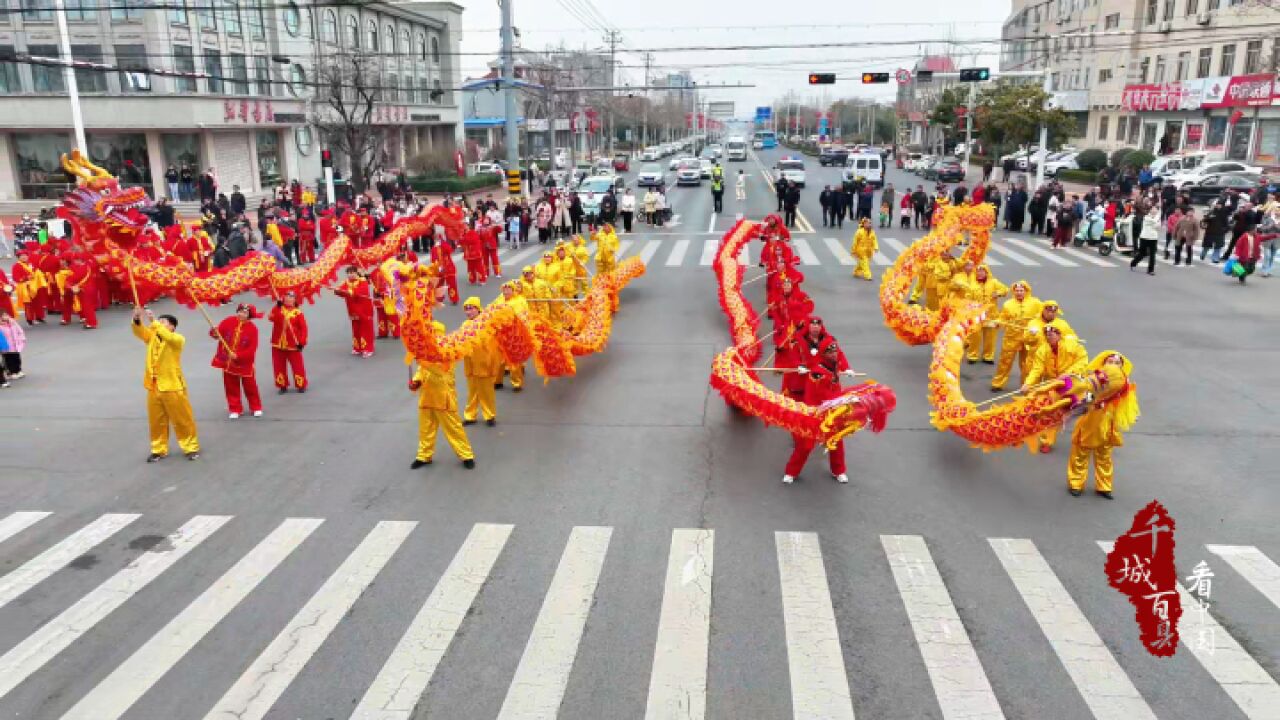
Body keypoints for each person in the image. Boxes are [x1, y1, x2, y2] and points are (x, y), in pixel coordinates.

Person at [782, 338, 856, 485]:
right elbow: (825, 396)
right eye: (831, 352)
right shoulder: (818, 373)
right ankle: (791, 472)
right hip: (816, 413)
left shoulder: (833, 366)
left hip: (832, 412)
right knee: (805, 445)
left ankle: (839, 471)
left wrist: (847, 369)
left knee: (836, 442)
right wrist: (846, 399)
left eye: (835, 351)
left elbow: (836, 383)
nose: (835, 354)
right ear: (824, 354)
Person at [1067, 351, 1139, 499]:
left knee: (1104, 455)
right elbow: (1079, 393)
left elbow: (1128, 404)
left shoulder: (1124, 383)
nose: (1113, 365)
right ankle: (1076, 483)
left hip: (1107, 424)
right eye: (1110, 362)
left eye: (1117, 363)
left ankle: (1104, 486)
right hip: (1089, 421)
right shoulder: (1094, 379)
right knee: (1081, 453)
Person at [132, 308, 200, 462]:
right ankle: (158, 449)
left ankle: (190, 447)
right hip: (154, 385)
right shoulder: (152, 337)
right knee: (156, 420)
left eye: (163, 322)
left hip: (172, 385)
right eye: (159, 321)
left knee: (182, 419)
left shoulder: (177, 339)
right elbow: (140, 332)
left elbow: (167, 336)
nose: (158, 324)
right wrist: (137, 319)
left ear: (172, 327)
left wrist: (154, 322)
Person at [408, 322, 476, 470]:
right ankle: (424, 455)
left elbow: (438, 371)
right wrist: (416, 381)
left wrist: (421, 359)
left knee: (453, 428)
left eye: (432, 333)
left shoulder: (448, 353)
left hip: (443, 398)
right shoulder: (426, 353)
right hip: (426, 396)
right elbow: (422, 370)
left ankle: (466, 455)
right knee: (426, 429)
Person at [1021, 323, 1088, 454]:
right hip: (1053, 385)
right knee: (1051, 413)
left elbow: (1083, 361)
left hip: (1073, 384)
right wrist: (1028, 383)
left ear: (1059, 334)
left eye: (1052, 334)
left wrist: (1068, 373)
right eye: (1047, 334)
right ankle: (1047, 441)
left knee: (1081, 411)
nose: (1049, 336)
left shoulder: (1073, 346)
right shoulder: (1042, 350)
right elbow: (1037, 369)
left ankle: (1086, 435)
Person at [211, 303, 263, 419]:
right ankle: (235, 408)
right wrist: (214, 331)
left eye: (245, 312)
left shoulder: (252, 329)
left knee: (250, 386)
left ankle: (256, 407)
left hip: (244, 363)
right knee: (230, 386)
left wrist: (238, 356)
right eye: (240, 311)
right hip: (228, 362)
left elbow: (252, 348)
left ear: (249, 315)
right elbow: (218, 335)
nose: (241, 314)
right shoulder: (228, 321)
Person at [991, 280, 1041, 391]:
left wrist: (1037, 326)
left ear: (1026, 291)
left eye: (1021, 290)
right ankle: (998, 383)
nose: (1019, 292)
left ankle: (1026, 385)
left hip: (1028, 338)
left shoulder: (1035, 303)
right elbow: (1003, 318)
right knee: (1005, 361)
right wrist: (997, 322)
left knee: (1027, 363)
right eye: (1017, 290)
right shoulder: (1008, 304)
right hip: (1011, 337)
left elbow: (1042, 316)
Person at [461, 297, 503, 426]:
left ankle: (489, 415)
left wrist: (492, 361)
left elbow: (494, 344)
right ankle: (470, 415)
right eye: (466, 309)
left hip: (484, 363)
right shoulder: (465, 325)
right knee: (472, 391)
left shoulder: (486, 323)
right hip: (470, 364)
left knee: (486, 392)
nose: (469, 312)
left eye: (471, 308)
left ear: (478, 309)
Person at [963, 265, 1008, 364]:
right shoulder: (971, 284)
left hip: (991, 315)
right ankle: (972, 355)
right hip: (976, 315)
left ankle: (988, 356)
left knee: (990, 337)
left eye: (982, 272)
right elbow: (967, 297)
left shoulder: (994, 282)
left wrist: (998, 293)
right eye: (978, 272)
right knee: (974, 336)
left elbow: (1005, 289)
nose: (980, 274)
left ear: (986, 273)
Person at [270, 290, 308, 393]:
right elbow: (271, 318)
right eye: (286, 297)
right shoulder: (279, 309)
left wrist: (301, 342)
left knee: (297, 365)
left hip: (293, 344)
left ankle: (301, 384)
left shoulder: (298, 313)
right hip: (277, 343)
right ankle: (282, 385)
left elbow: (303, 329)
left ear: (295, 300)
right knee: (278, 365)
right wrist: (277, 308)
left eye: (291, 297)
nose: (288, 299)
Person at [334, 265, 376, 357]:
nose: (350, 275)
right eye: (348, 273)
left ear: (356, 272)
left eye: (352, 273)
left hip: (364, 310)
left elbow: (361, 292)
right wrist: (337, 290)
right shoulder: (346, 282)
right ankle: (358, 347)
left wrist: (349, 292)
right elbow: (341, 291)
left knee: (366, 329)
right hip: (353, 310)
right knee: (356, 329)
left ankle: (368, 348)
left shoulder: (363, 281)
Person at [1129, 210, 1161, 275]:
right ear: (1150, 211)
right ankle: (1133, 263)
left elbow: (1158, 227)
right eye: (1153, 210)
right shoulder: (1146, 217)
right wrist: (1158, 216)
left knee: (1152, 255)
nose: (1154, 211)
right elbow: (1154, 222)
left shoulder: (1157, 219)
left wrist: (1156, 222)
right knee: (1142, 253)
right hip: (1144, 237)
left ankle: (1150, 270)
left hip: (1153, 238)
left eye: (1155, 211)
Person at [0, 310, 25, 381]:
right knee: (8, 360)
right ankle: (11, 372)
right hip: (6, 347)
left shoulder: (13, 323)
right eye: (3, 316)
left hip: (15, 345)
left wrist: (22, 338)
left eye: (6, 315)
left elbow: (20, 331)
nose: (6, 317)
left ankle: (18, 370)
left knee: (17, 358)